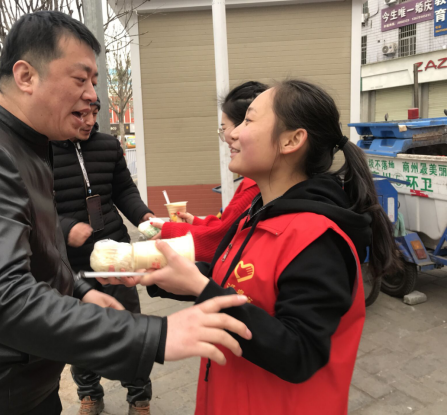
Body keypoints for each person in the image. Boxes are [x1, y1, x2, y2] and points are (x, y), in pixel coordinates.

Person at [0, 11, 252, 415]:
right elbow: (4, 298)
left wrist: (80, 292)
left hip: (22, 385)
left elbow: (35, 252)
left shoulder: (25, 144)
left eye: (94, 82)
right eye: (80, 79)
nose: (91, 96)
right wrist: (156, 335)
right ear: (26, 76)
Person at [138, 80, 399, 415]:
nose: (232, 134)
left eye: (248, 120)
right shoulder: (259, 213)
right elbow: (236, 284)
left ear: (291, 140)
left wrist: (201, 288)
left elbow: (299, 352)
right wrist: (164, 272)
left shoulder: (317, 238)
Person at [52, 100, 155, 415]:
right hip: (73, 264)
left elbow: (124, 190)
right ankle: (89, 394)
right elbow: (34, 207)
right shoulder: (41, 150)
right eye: (80, 114)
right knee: (79, 334)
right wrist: (65, 228)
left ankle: (139, 397)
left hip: (116, 254)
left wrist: (145, 217)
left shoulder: (108, 145)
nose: (89, 121)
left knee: (130, 328)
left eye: (94, 113)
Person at [152, 82, 267, 263]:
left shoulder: (258, 188)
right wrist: (196, 222)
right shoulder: (253, 183)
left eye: (224, 128)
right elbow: (226, 227)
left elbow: (221, 240)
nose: (231, 137)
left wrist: (171, 231)